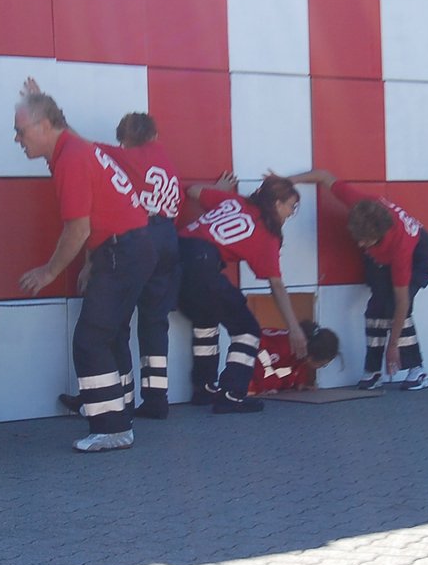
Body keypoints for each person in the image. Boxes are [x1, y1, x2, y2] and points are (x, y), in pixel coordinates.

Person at [14, 86, 155, 452]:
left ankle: (112, 428)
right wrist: (92, 261)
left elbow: (78, 227)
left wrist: (48, 271)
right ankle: (118, 416)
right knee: (108, 335)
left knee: (90, 339)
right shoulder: (75, 149)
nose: (17, 139)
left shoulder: (71, 157)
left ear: (44, 126)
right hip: (130, 247)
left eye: (21, 130)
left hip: (123, 250)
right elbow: (95, 218)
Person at [288, 169, 428, 390]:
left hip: (419, 253)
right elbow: (323, 176)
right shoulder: (361, 204)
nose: (359, 245)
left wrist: (393, 346)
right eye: (357, 239)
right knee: (375, 308)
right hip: (381, 253)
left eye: (365, 241)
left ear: (378, 237)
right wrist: (289, 181)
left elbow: (401, 301)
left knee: (395, 308)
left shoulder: (401, 250)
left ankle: (417, 370)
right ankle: (373, 371)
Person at [179, 173, 307, 413]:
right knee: (247, 329)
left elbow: (194, 190)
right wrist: (294, 328)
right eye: (291, 206)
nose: (291, 213)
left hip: (171, 260)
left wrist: (219, 188)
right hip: (202, 265)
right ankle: (231, 394)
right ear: (277, 204)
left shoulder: (233, 201)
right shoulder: (267, 235)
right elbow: (276, 285)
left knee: (206, 319)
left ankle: (204, 389)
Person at [103, 111, 182, 419]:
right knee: (155, 320)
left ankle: (122, 397)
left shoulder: (130, 158)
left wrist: (54, 114)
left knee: (119, 317)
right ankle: (156, 398)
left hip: (140, 236)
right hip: (168, 237)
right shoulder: (164, 156)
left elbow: (82, 144)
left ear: (127, 139)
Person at [247, 322, 342, 394]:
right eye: (322, 364)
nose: (322, 367)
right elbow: (258, 358)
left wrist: (300, 383)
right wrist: (267, 387)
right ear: (310, 357)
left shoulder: (302, 351)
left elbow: (296, 367)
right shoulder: (281, 348)